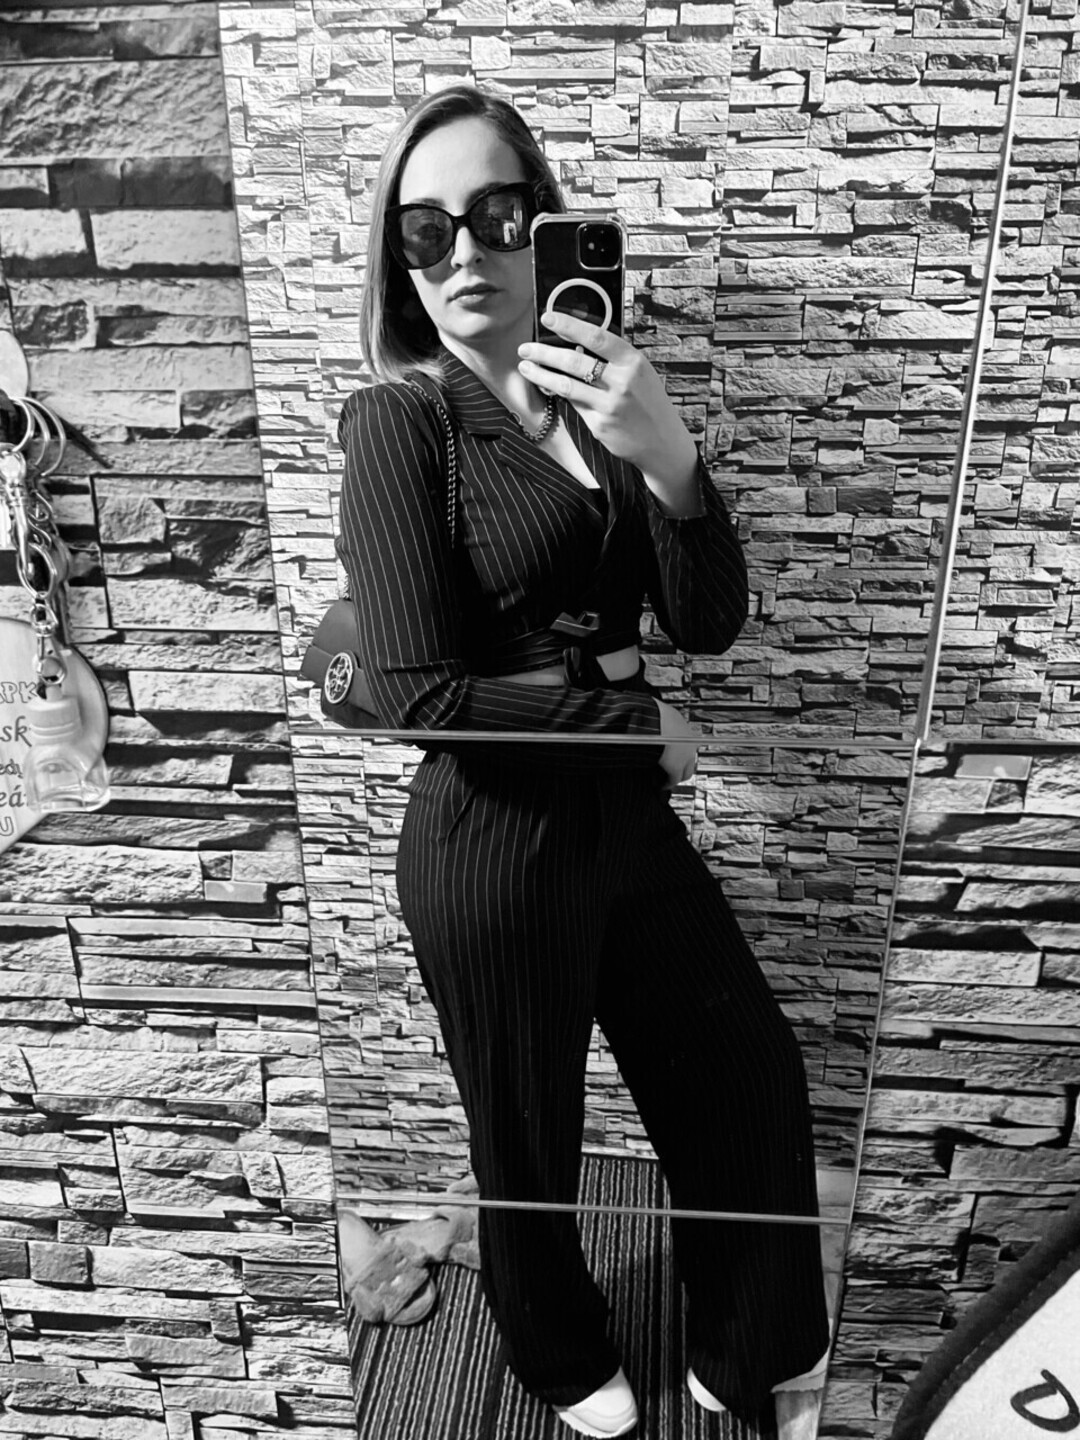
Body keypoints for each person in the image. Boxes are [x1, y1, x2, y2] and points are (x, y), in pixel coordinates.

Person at [338, 83, 830, 1438]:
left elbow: (706, 621)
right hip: (491, 842)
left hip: (627, 825)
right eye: (423, 230)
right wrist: (637, 725)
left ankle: (749, 1340)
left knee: (747, 1077)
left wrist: (669, 460)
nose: (461, 254)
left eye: (495, 215)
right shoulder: (404, 423)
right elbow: (418, 689)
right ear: (398, 258)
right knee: (529, 1135)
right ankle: (555, 1356)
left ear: (544, 222)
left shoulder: (604, 391)